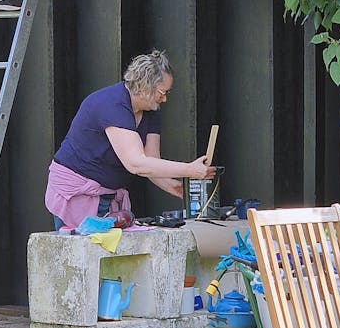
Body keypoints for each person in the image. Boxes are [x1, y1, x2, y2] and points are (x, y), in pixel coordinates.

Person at [44, 50, 216, 229]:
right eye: (161, 92)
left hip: (108, 194)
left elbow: (151, 162)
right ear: (145, 87)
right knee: (80, 252)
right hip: (77, 193)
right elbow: (135, 164)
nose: (164, 99)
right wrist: (190, 170)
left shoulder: (151, 109)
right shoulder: (112, 104)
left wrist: (171, 185)